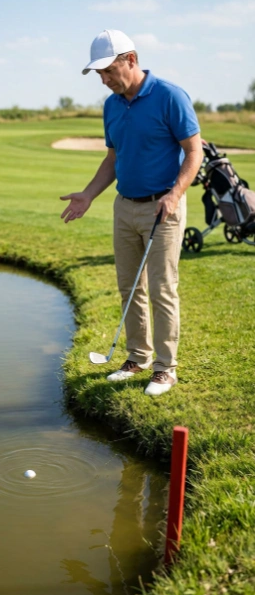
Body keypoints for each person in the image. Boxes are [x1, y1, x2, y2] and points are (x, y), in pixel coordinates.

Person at [60, 29, 203, 397]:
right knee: (129, 287)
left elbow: (194, 152)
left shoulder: (170, 96)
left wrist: (174, 195)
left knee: (161, 288)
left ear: (131, 60)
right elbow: (113, 159)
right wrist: (89, 195)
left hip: (162, 207)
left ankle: (165, 369)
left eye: (108, 71)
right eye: (99, 75)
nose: (104, 80)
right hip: (124, 206)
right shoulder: (111, 106)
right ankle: (137, 358)